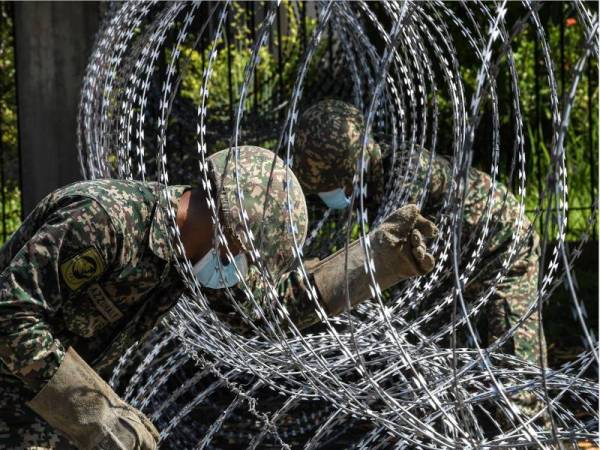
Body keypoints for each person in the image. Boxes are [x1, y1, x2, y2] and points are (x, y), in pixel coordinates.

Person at [0, 145, 437, 449]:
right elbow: (10, 314)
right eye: (252, 261)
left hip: (32, 419)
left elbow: (266, 313)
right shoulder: (104, 221)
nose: (245, 274)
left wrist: (371, 263)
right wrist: (96, 415)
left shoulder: (190, 256)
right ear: (230, 238)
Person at [294, 99, 545, 373]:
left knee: (514, 370)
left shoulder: (407, 175)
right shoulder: (364, 178)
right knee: (447, 372)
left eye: (333, 185)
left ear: (353, 172)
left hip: (502, 251)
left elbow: (381, 257)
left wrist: (310, 298)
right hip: (448, 266)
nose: (327, 193)